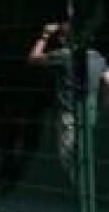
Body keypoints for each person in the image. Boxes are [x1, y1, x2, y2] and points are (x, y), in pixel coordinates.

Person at [26, 22, 109, 185]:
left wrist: (45, 35)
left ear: (64, 39)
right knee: (87, 156)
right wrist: (105, 106)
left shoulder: (63, 55)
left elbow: (33, 58)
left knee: (70, 159)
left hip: (69, 116)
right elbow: (107, 81)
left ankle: (81, 190)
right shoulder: (97, 56)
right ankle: (90, 190)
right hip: (91, 114)